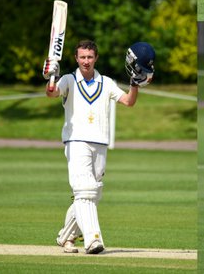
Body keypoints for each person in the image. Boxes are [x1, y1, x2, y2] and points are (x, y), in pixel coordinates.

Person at [45, 39, 150, 255]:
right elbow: (52, 92)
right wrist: (50, 76)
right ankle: (93, 240)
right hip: (76, 141)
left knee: (93, 193)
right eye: (82, 57)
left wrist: (135, 82)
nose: (86, 61)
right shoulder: (68, 80)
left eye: (90, 57)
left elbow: (129, 101)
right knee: (84, 189)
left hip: (100, 143)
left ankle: (66, 236)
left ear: (96, 58)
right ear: (76, 58)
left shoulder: (107, 83)